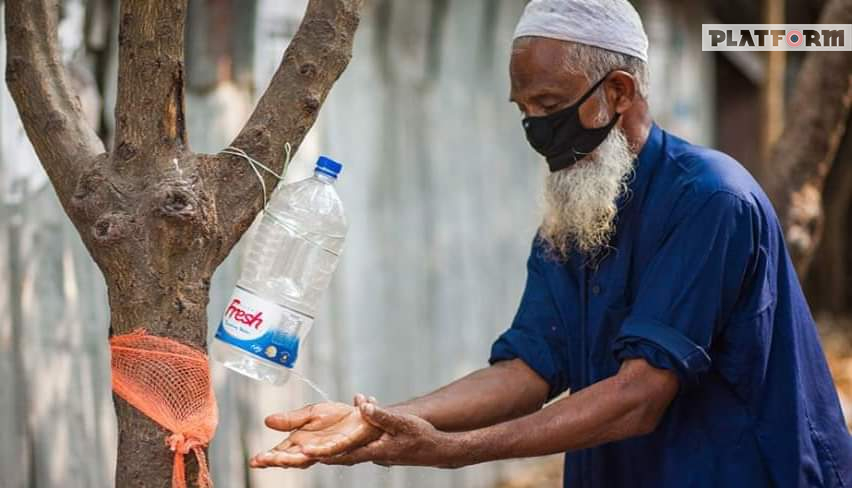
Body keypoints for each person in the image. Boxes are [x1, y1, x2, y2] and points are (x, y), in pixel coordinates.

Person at [250, 0, 852, 485]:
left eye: (551, 105)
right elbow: (528, 368)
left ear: (618, 92)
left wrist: (453, 451)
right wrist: (378, 420)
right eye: (525, 109)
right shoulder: (577, 207)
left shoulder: (712, 200)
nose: (536, 128)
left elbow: (637, 396)